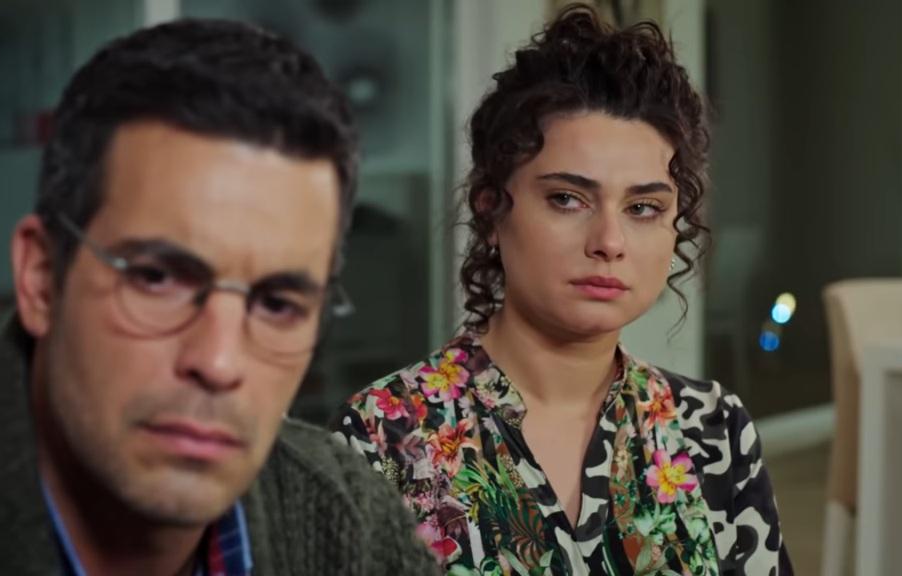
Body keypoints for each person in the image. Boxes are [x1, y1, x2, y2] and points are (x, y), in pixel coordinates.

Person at [0, 19, 439, 576]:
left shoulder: (347, 518)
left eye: (277, 304)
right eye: (157, 278)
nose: (218, 362)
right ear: (42, 279)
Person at [332, 5, 792, 575]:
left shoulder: (713, 429)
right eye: (567, 199)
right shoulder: (383, 435)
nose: (609, 241)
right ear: (491, 210)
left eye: (643, 208)